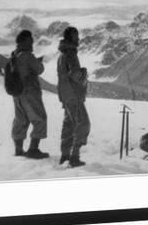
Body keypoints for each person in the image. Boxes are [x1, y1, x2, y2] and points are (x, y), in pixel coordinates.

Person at [10, 30, 49, 159]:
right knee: (40, 118)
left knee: (21, 120)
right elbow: (39, 70)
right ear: (26, 42)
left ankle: (19, 149)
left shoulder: (14, 56)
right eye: (30, 41)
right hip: (30, 93)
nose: (32, 44)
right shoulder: (27, 55)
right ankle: (33, 149)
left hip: (17, 94)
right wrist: (39, 62)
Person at [57, 27, 91, 168]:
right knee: (83, 123)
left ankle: (65, 155)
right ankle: (74, 156)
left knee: (69, 125)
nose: (78, 39)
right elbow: (75, 75)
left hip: (65, 94)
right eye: (76, 37)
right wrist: (83, 73)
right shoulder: (71, 53)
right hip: (73, 95)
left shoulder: (62, 54)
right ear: (70, 38)